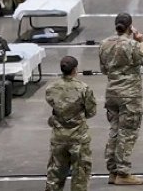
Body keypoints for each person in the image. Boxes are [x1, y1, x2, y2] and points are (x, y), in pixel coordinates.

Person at [99, 13, 143, 186]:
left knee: (114, 131)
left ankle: (113, 171)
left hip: (112, 93)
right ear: (131, 27)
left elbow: (104, 69)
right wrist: (142, 42)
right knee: (127, 133)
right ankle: (123, 173)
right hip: (130, 95)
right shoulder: (133, 45)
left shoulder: (104, 44)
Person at [44, 56, 97, 191]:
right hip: (78, 137)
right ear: (75, 70)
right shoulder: (83, 88)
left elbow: (54, 105)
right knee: (80, 174)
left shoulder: (51, 88)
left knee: (55, 174)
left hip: (58, 136)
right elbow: (91, 112)